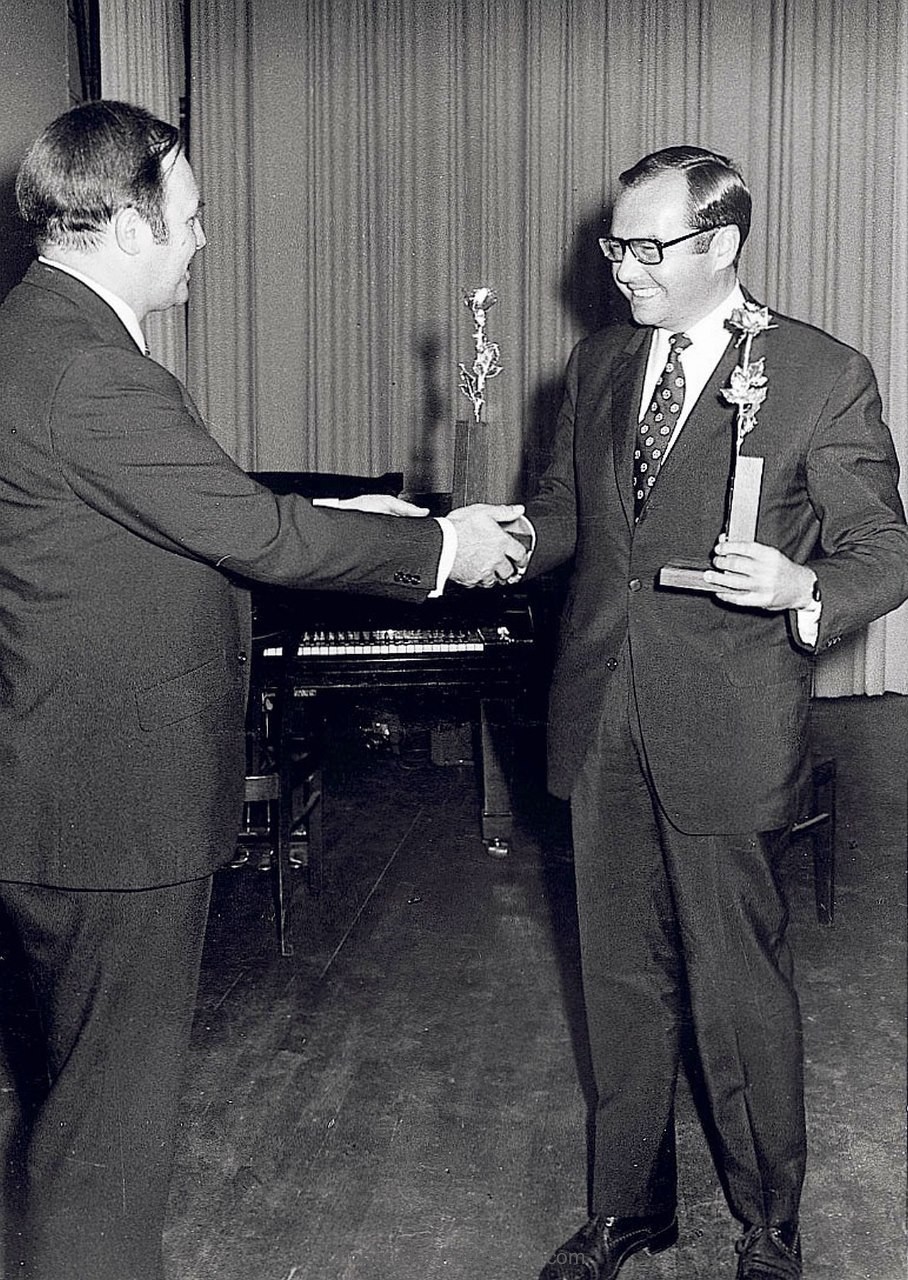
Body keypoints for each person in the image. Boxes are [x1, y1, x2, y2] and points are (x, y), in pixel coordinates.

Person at [0, 100, 528, 1280]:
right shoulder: (92, 370)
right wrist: (437, 549)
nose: (200, 240)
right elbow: (247, 531)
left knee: (71, 1102)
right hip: (108, 808)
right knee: (105, 1132)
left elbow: (172, 501)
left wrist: (355, 511)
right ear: (129, 220)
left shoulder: (38, 338)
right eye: (189, 219)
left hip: (52, 790)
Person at [508, 146, 908, 1280]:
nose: (622, 269)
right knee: (616, 976)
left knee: (736, 982)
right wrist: (478, 545)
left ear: (719, 245)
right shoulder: (593, 366)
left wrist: (802, 588)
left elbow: (885, 545)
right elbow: (566, 521)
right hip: (597, 715)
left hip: (725, 722)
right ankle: (627, 1207)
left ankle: (767, 1218)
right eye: (614, 247)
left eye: (646, 249)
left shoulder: (817, 371)